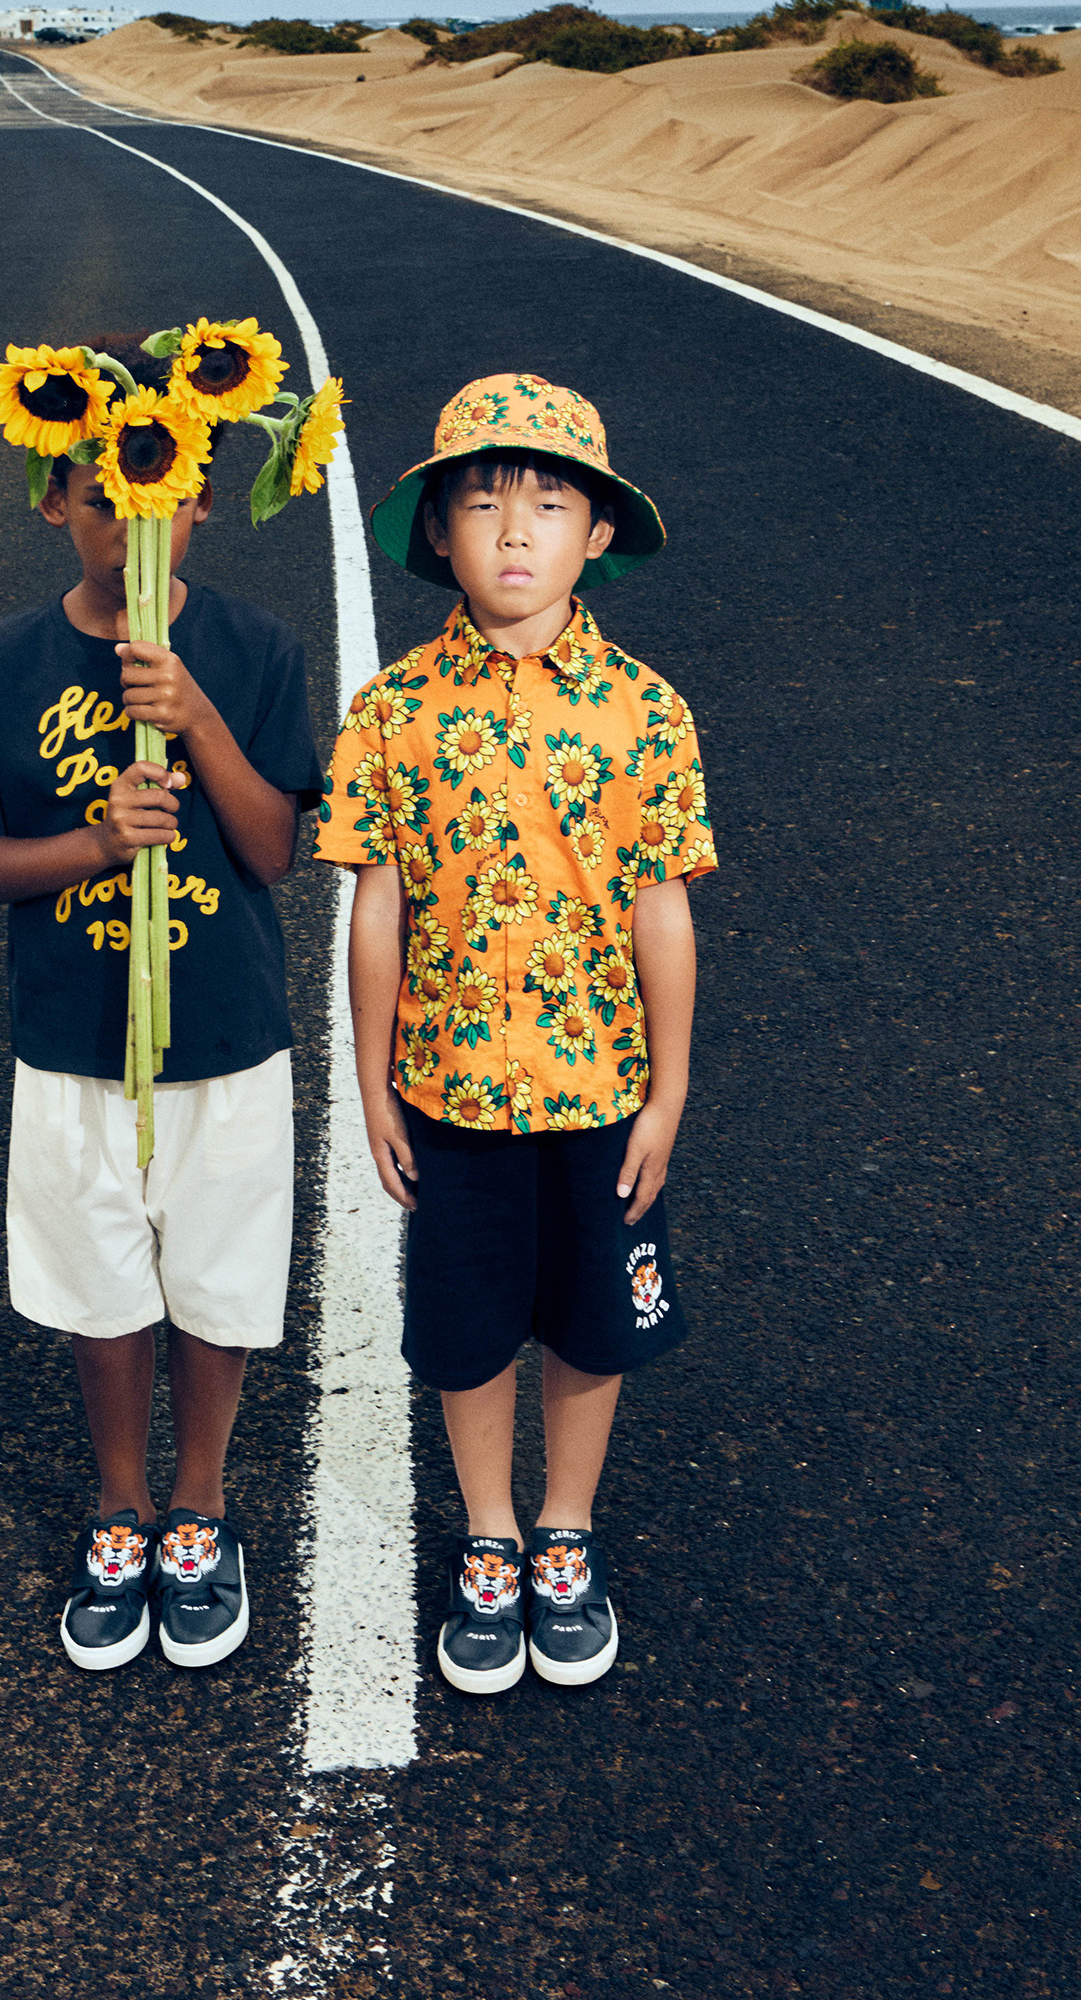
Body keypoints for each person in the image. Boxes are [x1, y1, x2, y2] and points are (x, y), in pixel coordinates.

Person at [0, 333, 321, 1671]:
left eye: (158, 495)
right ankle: (120, 1505)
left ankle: (200, 1504)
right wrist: (96, 845)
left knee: (217, 1280)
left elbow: (272, 850)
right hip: (73, 1039)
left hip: (226, 1031)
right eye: (100, 497)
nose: (131, 519)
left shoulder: (254, 651)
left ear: (198, 495)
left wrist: (194, 717)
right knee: (103, 1286)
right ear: (53, 503)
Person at [317, 373, 717, 1694]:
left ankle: (566, 1531)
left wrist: (664, 1098)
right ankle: (490, 1534)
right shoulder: (391, 710)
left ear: (597, 531)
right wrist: (371, 1083)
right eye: (482, 501)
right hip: (452, 1090)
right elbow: (376, 910)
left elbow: (664, 910)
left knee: (594, 1323)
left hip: (601, 1086)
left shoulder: (649, 710)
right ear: (436, 529)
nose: (513, 531)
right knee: (467, 1323)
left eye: (549, 503)